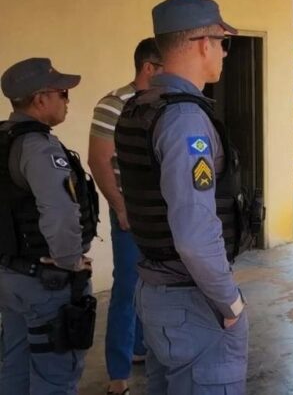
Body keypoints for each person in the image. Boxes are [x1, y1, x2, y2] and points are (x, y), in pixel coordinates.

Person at [114, 0, 258, 395]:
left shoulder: (142, 106)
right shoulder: (184, 119)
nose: (225, 53)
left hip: (159, 292)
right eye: (222, 42)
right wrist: (230, 304)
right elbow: (195, 235)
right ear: (202, 44)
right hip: (192, 300)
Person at [0, 58, 99, 394]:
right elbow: (59, 212)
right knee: (55, 376)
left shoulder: (4, 139)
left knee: (15, 366)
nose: (67, 100)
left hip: (11, 278)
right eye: (62, 93)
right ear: (40, 99)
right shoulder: (38, 148)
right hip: (44, 284)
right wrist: (70, 260)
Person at [88, 38, 162, 395]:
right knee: (127, 289)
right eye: (166, 69)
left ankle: (140, 349)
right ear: (149, 68)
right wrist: (120, 207)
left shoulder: (165, 103)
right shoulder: (113, 104)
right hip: (131, 216)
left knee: (156, 284)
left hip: (161, 217)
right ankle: (118, 376)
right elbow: (98, 161)